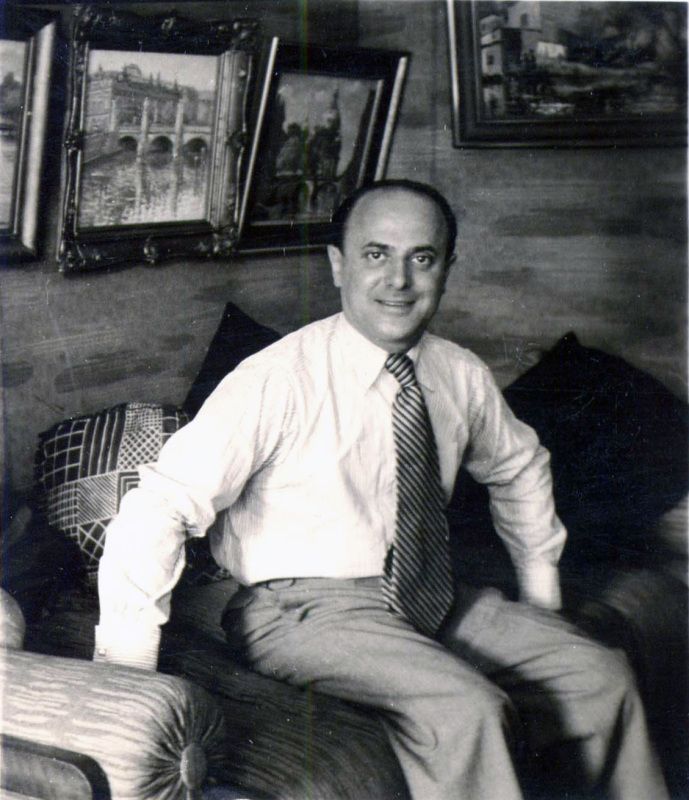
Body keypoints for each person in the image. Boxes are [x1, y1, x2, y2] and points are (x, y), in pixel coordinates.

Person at [96, 180, 668, 800]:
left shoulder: (459, 372)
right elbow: (160, 504)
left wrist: (540, 596)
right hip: (301, 609)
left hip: (430, 591)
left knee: (599, 675)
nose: (398, 280)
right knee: (466, 710)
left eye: (421, 258)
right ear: (338, 265)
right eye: (376, 254)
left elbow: (519, 465)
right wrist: (127, 672)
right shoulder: (276, 378)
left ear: (448, 268)